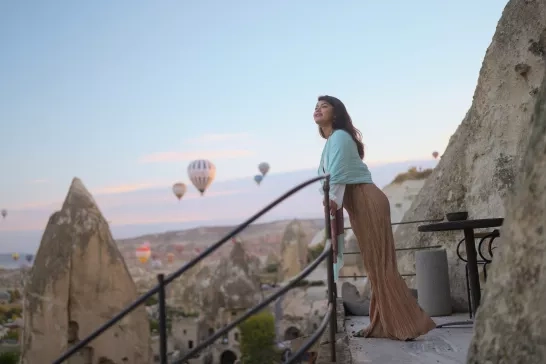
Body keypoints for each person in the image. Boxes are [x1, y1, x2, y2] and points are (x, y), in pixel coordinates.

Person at [314, 95, 436, 340]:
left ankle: (408, 324)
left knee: (381, 267)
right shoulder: (331, 142)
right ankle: (384, 324)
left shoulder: (339, 137)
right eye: (316, 107)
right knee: (375, 267)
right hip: (360, 205)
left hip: (367, 201)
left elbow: (337, 173)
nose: (317, 109)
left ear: (336, 113)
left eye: (324, 106)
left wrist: (333, 200)